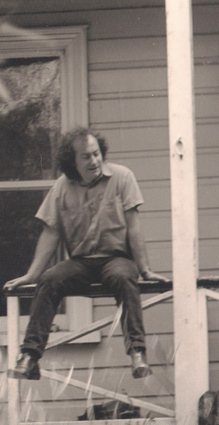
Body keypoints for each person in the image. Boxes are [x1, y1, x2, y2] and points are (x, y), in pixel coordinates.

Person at [5, 128, 167, 381]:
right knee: (49, 280)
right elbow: (50, 233)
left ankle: (137, 352)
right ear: (73, 162)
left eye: (96, 153)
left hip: (116, 260)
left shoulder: (123, 177)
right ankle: (29, 356)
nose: (94, 161)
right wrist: (31, 275)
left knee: (125, 278)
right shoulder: (61, 187)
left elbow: (134, 227)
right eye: (86, 157)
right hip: (80, 263)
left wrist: (145, 269)